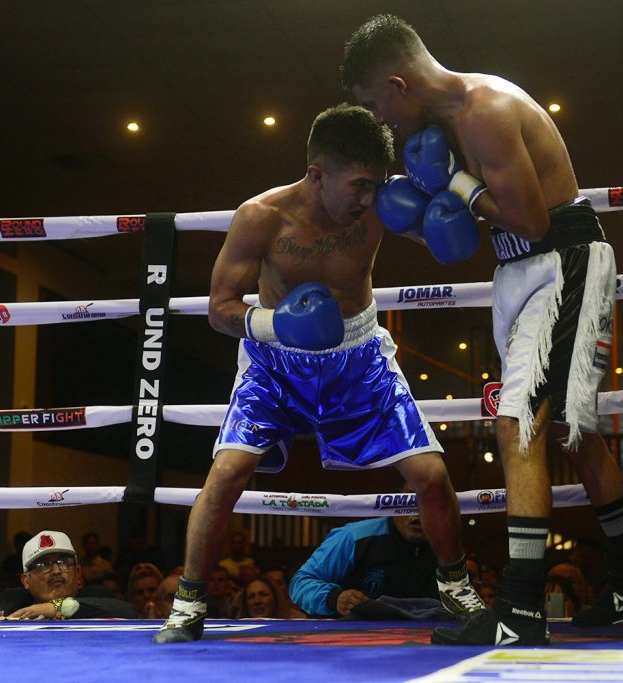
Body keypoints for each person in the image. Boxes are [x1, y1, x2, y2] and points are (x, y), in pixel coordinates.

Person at [342, 14, 623, 646]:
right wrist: (427, 210)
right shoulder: (441, 126)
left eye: (378, 106)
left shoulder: (485, 107)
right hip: (520, 269)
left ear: (400, 83)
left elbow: (532, 219)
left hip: (559, 258)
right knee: (572, 431)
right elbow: (471, 227)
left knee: (520, 421)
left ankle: (519, 608)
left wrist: (455, 184)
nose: (383, 122)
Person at [154, 103, 482, 643]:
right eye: (357, 185)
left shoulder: (379, 205)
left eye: (376, 185)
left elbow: (444, 237)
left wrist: (448, 220)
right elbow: (219, 309)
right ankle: (188, 603)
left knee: (431, 476)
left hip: (359, 357)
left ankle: (455, 584)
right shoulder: (261, 217)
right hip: (276, 363)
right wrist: (277, 324)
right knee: (227, 474)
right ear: (316, 174)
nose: (368, 199)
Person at [0, 530, 137, 620]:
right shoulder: (11, 602)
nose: (56, 571)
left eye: (64, 562)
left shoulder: (98, 598)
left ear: (79, 574)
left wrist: (56, 608)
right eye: (42, 564)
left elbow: (129, 611)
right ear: (26, 581)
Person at [289, 509, 441, 617]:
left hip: (426, 640)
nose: (415, 515)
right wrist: (334, 598)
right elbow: (300, 583)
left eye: (423, 501)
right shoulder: (353, 537)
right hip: (355, 640)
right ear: (393, 502)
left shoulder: (447, 542)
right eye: (408, 502)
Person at [235, 575, 304, 619]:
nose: (257, 601)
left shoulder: (298, 621)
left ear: (275, 598)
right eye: (251, 597)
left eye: (263, 594)